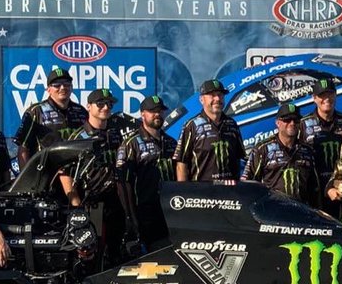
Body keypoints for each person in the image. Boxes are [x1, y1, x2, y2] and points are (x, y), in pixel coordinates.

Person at [60, 88, 127, 266]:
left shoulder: (115, 134)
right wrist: (76, 205)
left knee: (116, 250)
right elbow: (64, 173)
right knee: (91, 253)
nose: (106, 107)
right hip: (92, 202)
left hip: (116, 201)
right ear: (89, 107)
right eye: (101, 104)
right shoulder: (78, 137)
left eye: (109, 104)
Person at [116, 94, 177, 252]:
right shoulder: (131, 144)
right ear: (143, 114)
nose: (157, 114)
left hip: (170, 209)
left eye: (160, 111)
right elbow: (123, 183)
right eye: (152, 111)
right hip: (144, 211)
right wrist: (130, 216)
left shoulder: (171, 142)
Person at [242, 102, 321, 207]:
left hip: (302, 212)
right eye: (287, 120)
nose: (292, 123)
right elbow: (247, 183)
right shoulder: (262, 149)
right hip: (273, 211)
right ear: (278, 123)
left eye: (296, 120)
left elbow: (315, 188)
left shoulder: (307, 151)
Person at [299, 77, 342, 213]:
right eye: (322, 95)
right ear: (314, 98)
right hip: (315, 189)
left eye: (330, 94)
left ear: (336, 95)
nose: (327, 98)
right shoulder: (303, 124)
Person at [13, 68, 89, 168]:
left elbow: (88, 142)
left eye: (66, 84)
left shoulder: (81, 111)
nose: (62, 88)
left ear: (72, 87)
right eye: (57, 85)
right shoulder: (36, 111)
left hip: (75, 173)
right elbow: (23, 148)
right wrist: (27, 180)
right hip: (46, 173)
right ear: (48, 89)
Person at [173, 78, 245, 183]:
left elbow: (239, 159)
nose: (217, 99)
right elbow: (181, 163)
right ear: (201, 99)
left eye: (220, 95)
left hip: (229, 193)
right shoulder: (191, 126)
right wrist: (183, 192)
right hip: (202, 193)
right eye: (212, 95)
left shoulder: (232, 124)